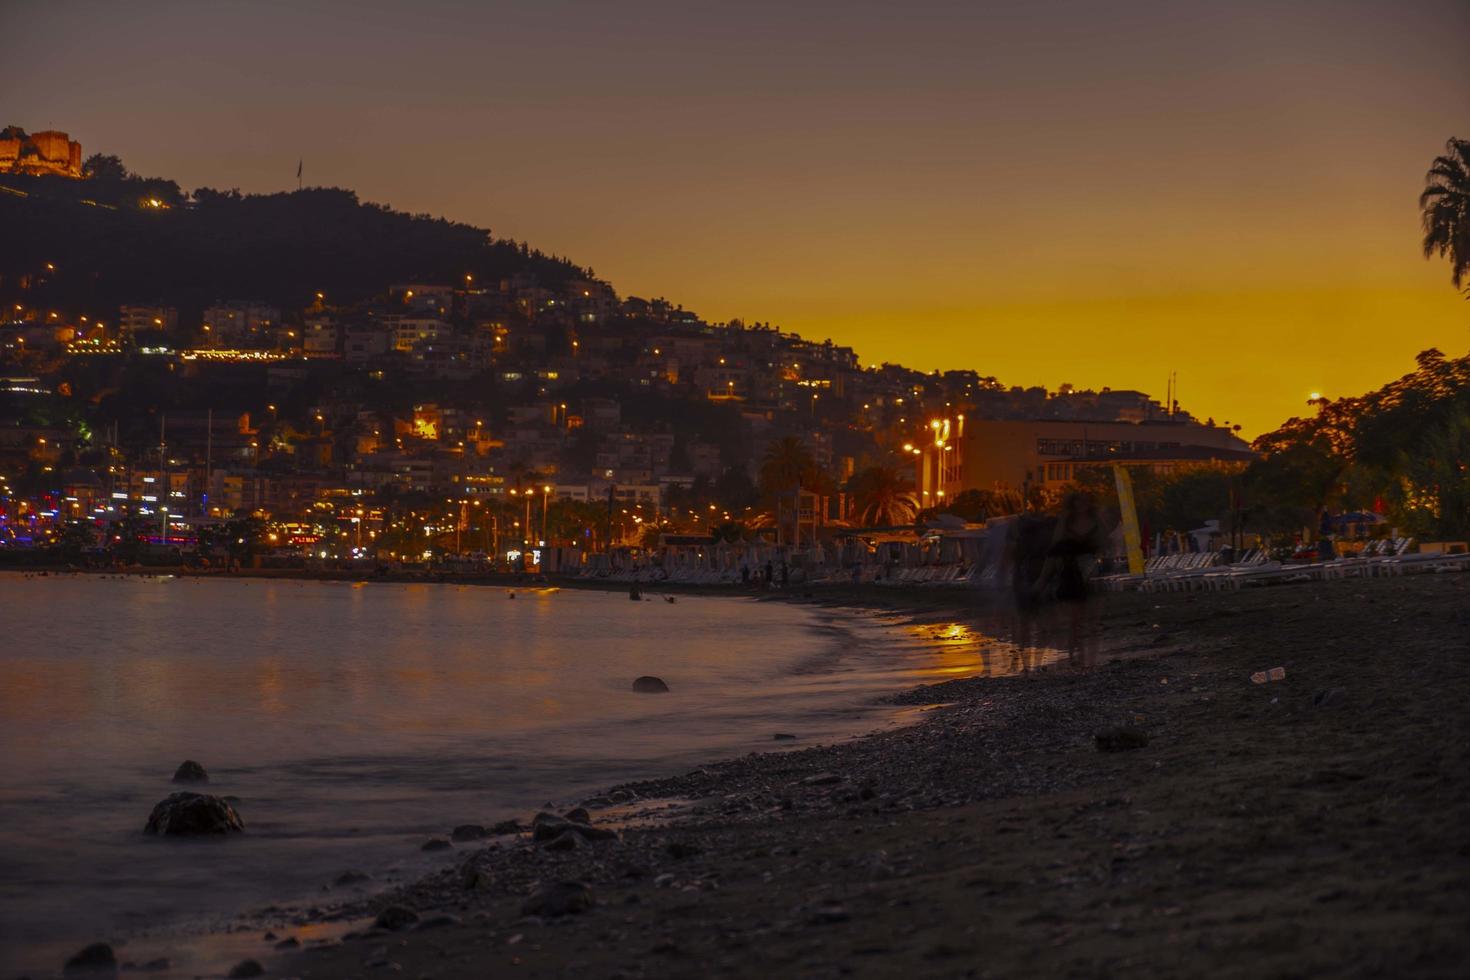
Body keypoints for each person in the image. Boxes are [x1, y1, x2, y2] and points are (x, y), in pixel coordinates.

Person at [1045, 491, 1106, 666]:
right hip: (1071, 570)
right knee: (1074, 619)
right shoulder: (1066, 521)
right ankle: (1074, 656)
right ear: (1073, 504)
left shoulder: (1096, 521)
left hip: (1092, 569)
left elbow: (1105, 542)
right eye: (1079, 501)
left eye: (1086, 500)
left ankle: (1090, 658)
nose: (1082, 504)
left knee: (1092, 619)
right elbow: (1055, 544)